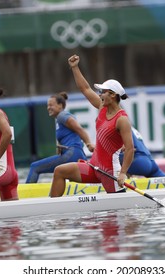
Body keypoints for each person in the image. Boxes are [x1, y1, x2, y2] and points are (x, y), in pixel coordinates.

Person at [49, 54, 134, 197]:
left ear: (112, 95)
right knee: (59, 171)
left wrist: (123, 173)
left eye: (102, 92)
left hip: (109, 172)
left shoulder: (122, 119)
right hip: (94, 167)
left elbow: (130, 149)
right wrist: (75, 67)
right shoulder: (102, 107)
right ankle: (51, 211)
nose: (100, 95)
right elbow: (85, 89)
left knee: (118, 216)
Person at [25, 91, 95, 183]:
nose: (48, 108)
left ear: (60, 105)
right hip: (78, 155)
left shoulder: (62, 115)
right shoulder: (59, 120)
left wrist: (89, 144)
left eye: (51, 105)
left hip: (72, 155)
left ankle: (27, 196)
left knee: (35, 167)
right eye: (47, 105)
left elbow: (80, 129)